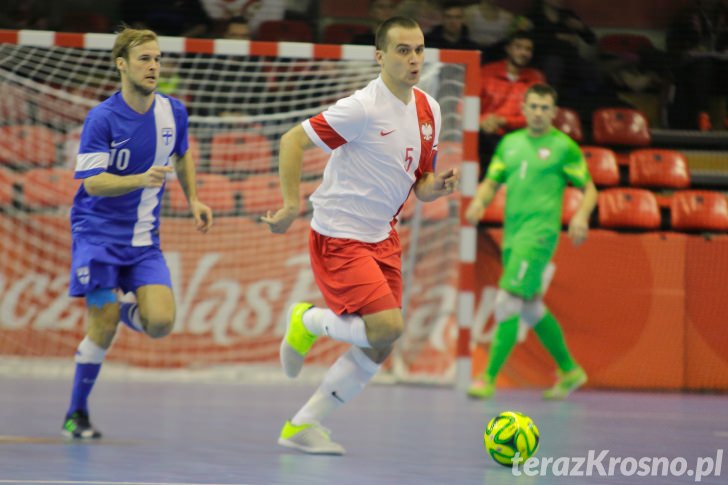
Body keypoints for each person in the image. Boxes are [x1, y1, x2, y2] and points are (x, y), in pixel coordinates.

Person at [262, 16, 459, 455]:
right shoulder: (362, 107)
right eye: (402, 50)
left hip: (382, 235)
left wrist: (435, 187)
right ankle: (307, 321)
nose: (413, 59)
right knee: (386, 327)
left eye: (419, 50)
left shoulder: (430, 109)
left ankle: (303, 426)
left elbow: (420, 183)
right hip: (340, 233)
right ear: (380, 56)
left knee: (380, 346)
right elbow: (291, 140)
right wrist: (292, 204)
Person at [62, 27, 213, 439]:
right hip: (96, 238)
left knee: (161, 323)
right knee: (102, 325)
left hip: (144, 241)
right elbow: (92, 184)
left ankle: (127, 309)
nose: (153, 66)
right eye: (144, 59)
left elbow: (182, 155)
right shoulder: (102, 118)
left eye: (157, 59)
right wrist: (139, 178)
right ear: (122, 64)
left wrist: (194, 199)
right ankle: (76, 413)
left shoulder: (173, 112)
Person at [464, 83, 596, 401]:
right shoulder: (509, 144)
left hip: (539, 235)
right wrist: (480, 201)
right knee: (531, 307)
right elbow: (492, 180)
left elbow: (590, 188)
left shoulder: (564, 147)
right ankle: (570, 370)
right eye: (533, 106)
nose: (538, 113)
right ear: (523, 109)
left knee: (507, 301)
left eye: (544, 108)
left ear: (554, 112)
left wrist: (580, 216)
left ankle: (488, 377)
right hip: (512, 235)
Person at [478, 31, 544, 178]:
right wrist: (482, 122)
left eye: (528, 49)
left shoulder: (536, 78)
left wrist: (504, 121)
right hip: (485, 134)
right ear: (508, 49)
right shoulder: (486, 72)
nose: (523, 52)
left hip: (518, 135)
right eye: (518, 47)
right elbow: (465, 107)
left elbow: (535, 116)